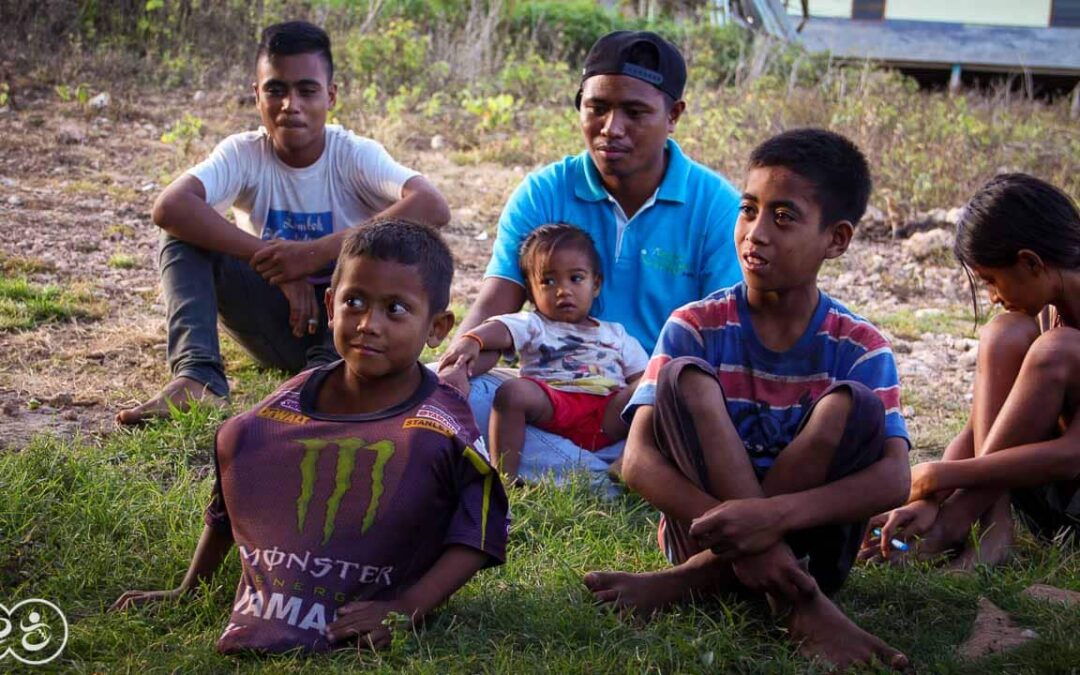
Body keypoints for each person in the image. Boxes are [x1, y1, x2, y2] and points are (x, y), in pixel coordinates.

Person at [583, 129, 912, 670]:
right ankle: (798, 604)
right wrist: (738, 527)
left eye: (784, 217)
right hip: (699, 532)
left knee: (851, 404)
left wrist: (772, 518)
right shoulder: (695, 325)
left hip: (814, 555)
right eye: (749, 209)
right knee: (684, 376)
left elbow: (894, 480)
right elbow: (637, 461)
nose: (754, 234)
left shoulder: (860, 346)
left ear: (837, 239)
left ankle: (690, 583)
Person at [111, 220, 509, 654]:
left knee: (417, 453)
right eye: (354, 302)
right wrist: (192, 588)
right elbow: (235, 480)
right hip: (296, 577)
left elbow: (479, 532)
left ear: (436, 328)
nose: (368, 325)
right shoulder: (288, 405)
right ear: (330, 306)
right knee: (240, 431)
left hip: (392, 577)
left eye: (395, 309)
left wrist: (407, 606)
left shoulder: (440, 427)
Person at [438, 30, 741, 487]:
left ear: (673, 115)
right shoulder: (544, 191)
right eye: (597, 107)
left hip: (647, 405)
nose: (611, 128)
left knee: (693, 422)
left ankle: (603, 466)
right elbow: (496, 302)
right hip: (551, 398)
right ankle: (611, 475)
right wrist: (452, 372)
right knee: (435, 394)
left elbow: (722, 339)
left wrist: (652, 405)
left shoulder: (715, 205)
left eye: (635, 112)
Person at [117, 20, 450, 425]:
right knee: (180, 239)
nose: (290, 104)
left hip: (350, 327)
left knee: (367, 270)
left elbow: (432, 204)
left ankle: (324, 379)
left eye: (307, 90)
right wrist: (276, 264)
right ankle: (197, 377)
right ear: (257, 95)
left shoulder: (353, 155)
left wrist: (313, 256)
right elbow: (170, 207)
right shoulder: (244, 153)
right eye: (276, 89)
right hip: (275, 320)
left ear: (330, 96)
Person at [861, 174, 1080, 569]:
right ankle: (993, 528)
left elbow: (1071, 455)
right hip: (1041, 494)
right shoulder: (1051, 308)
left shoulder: (1060, 341)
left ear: (1031, 262)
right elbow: (983, 428)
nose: (994, 296)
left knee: (1057, 350)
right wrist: (930, 497)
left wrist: (940, 479)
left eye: (992, 281)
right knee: (1004, 332)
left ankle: (957, 524)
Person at [440, 224, 648, 478]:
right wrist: (473, 340)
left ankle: (628, 463)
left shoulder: (616, 334)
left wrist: (646, 388)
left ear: (596, 284)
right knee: (513, 392)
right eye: (548, 281)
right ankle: (504, 477)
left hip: (606, 413)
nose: (563, 290)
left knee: (653, 389)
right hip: (554, 402)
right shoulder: (535, 324)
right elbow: (502, 328)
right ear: (531, 291)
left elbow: (642, 379)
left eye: (576, 278)